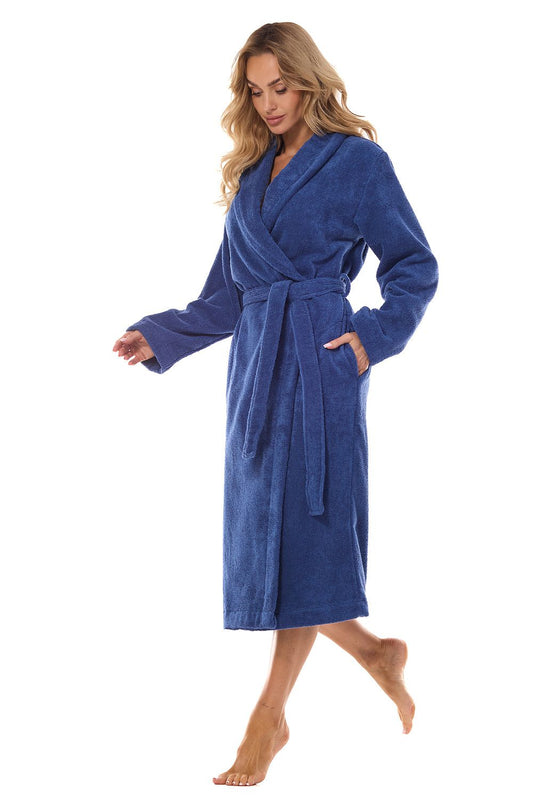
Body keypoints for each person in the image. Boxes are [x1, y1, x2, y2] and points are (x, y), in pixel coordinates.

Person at [113, 21, 438, 787]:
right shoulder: (253, 175)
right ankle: (372, 654)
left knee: (306, 538)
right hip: (257, 378)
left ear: (308, 81)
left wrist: (369, 339)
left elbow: (413, 265)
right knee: (276, 546)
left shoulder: (357, 162)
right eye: (256, 91)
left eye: (280, 87)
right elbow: (228, 298)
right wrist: (160, 333)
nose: (269, 103)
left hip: (321, 367)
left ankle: (268, 718)